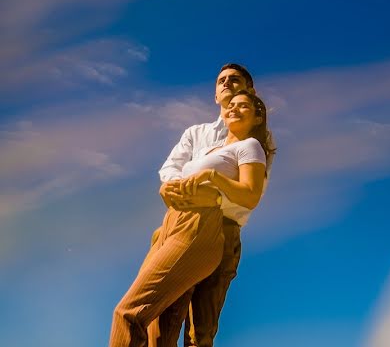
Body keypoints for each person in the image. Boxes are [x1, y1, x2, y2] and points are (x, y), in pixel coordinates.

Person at [109, 83, 271, 347]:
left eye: (244, 105)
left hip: (201, 223)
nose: (234, 108)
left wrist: (212, 177)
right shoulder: (207, 146)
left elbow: (250, 196)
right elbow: (172, 169)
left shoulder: (250, 146)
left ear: (258, 116)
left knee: (130, 313)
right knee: (159, 332)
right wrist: (170, 186)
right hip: (172, 223)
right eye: (232, 105)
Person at [152, 64, 275, 347]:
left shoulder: (256, 139)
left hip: (223, 227)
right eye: (222, 80)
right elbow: (170, 169)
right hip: (182, 224)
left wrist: (211, 188)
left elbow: (253, 188)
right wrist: (180, 189)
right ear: (215, 94)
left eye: (235, 80)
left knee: (200, 331)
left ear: (250, 91)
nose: (227, 84)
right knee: (163, 319)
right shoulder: (196, 134)